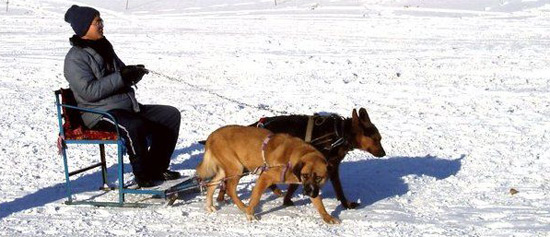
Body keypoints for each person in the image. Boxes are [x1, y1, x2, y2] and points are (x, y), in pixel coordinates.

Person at [63, 5, 181, 187]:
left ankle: (157, 168)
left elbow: (120, 74)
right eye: (97, 22)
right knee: (133, 125)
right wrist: (121, 77)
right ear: (84, 27)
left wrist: (132, 73)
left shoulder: (104, 46)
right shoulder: (75, 58)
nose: (101, 25)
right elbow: (89, 91)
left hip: (125, 107)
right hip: (99, 113)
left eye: (101, 20)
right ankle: (143, 175)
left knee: (170, 115)